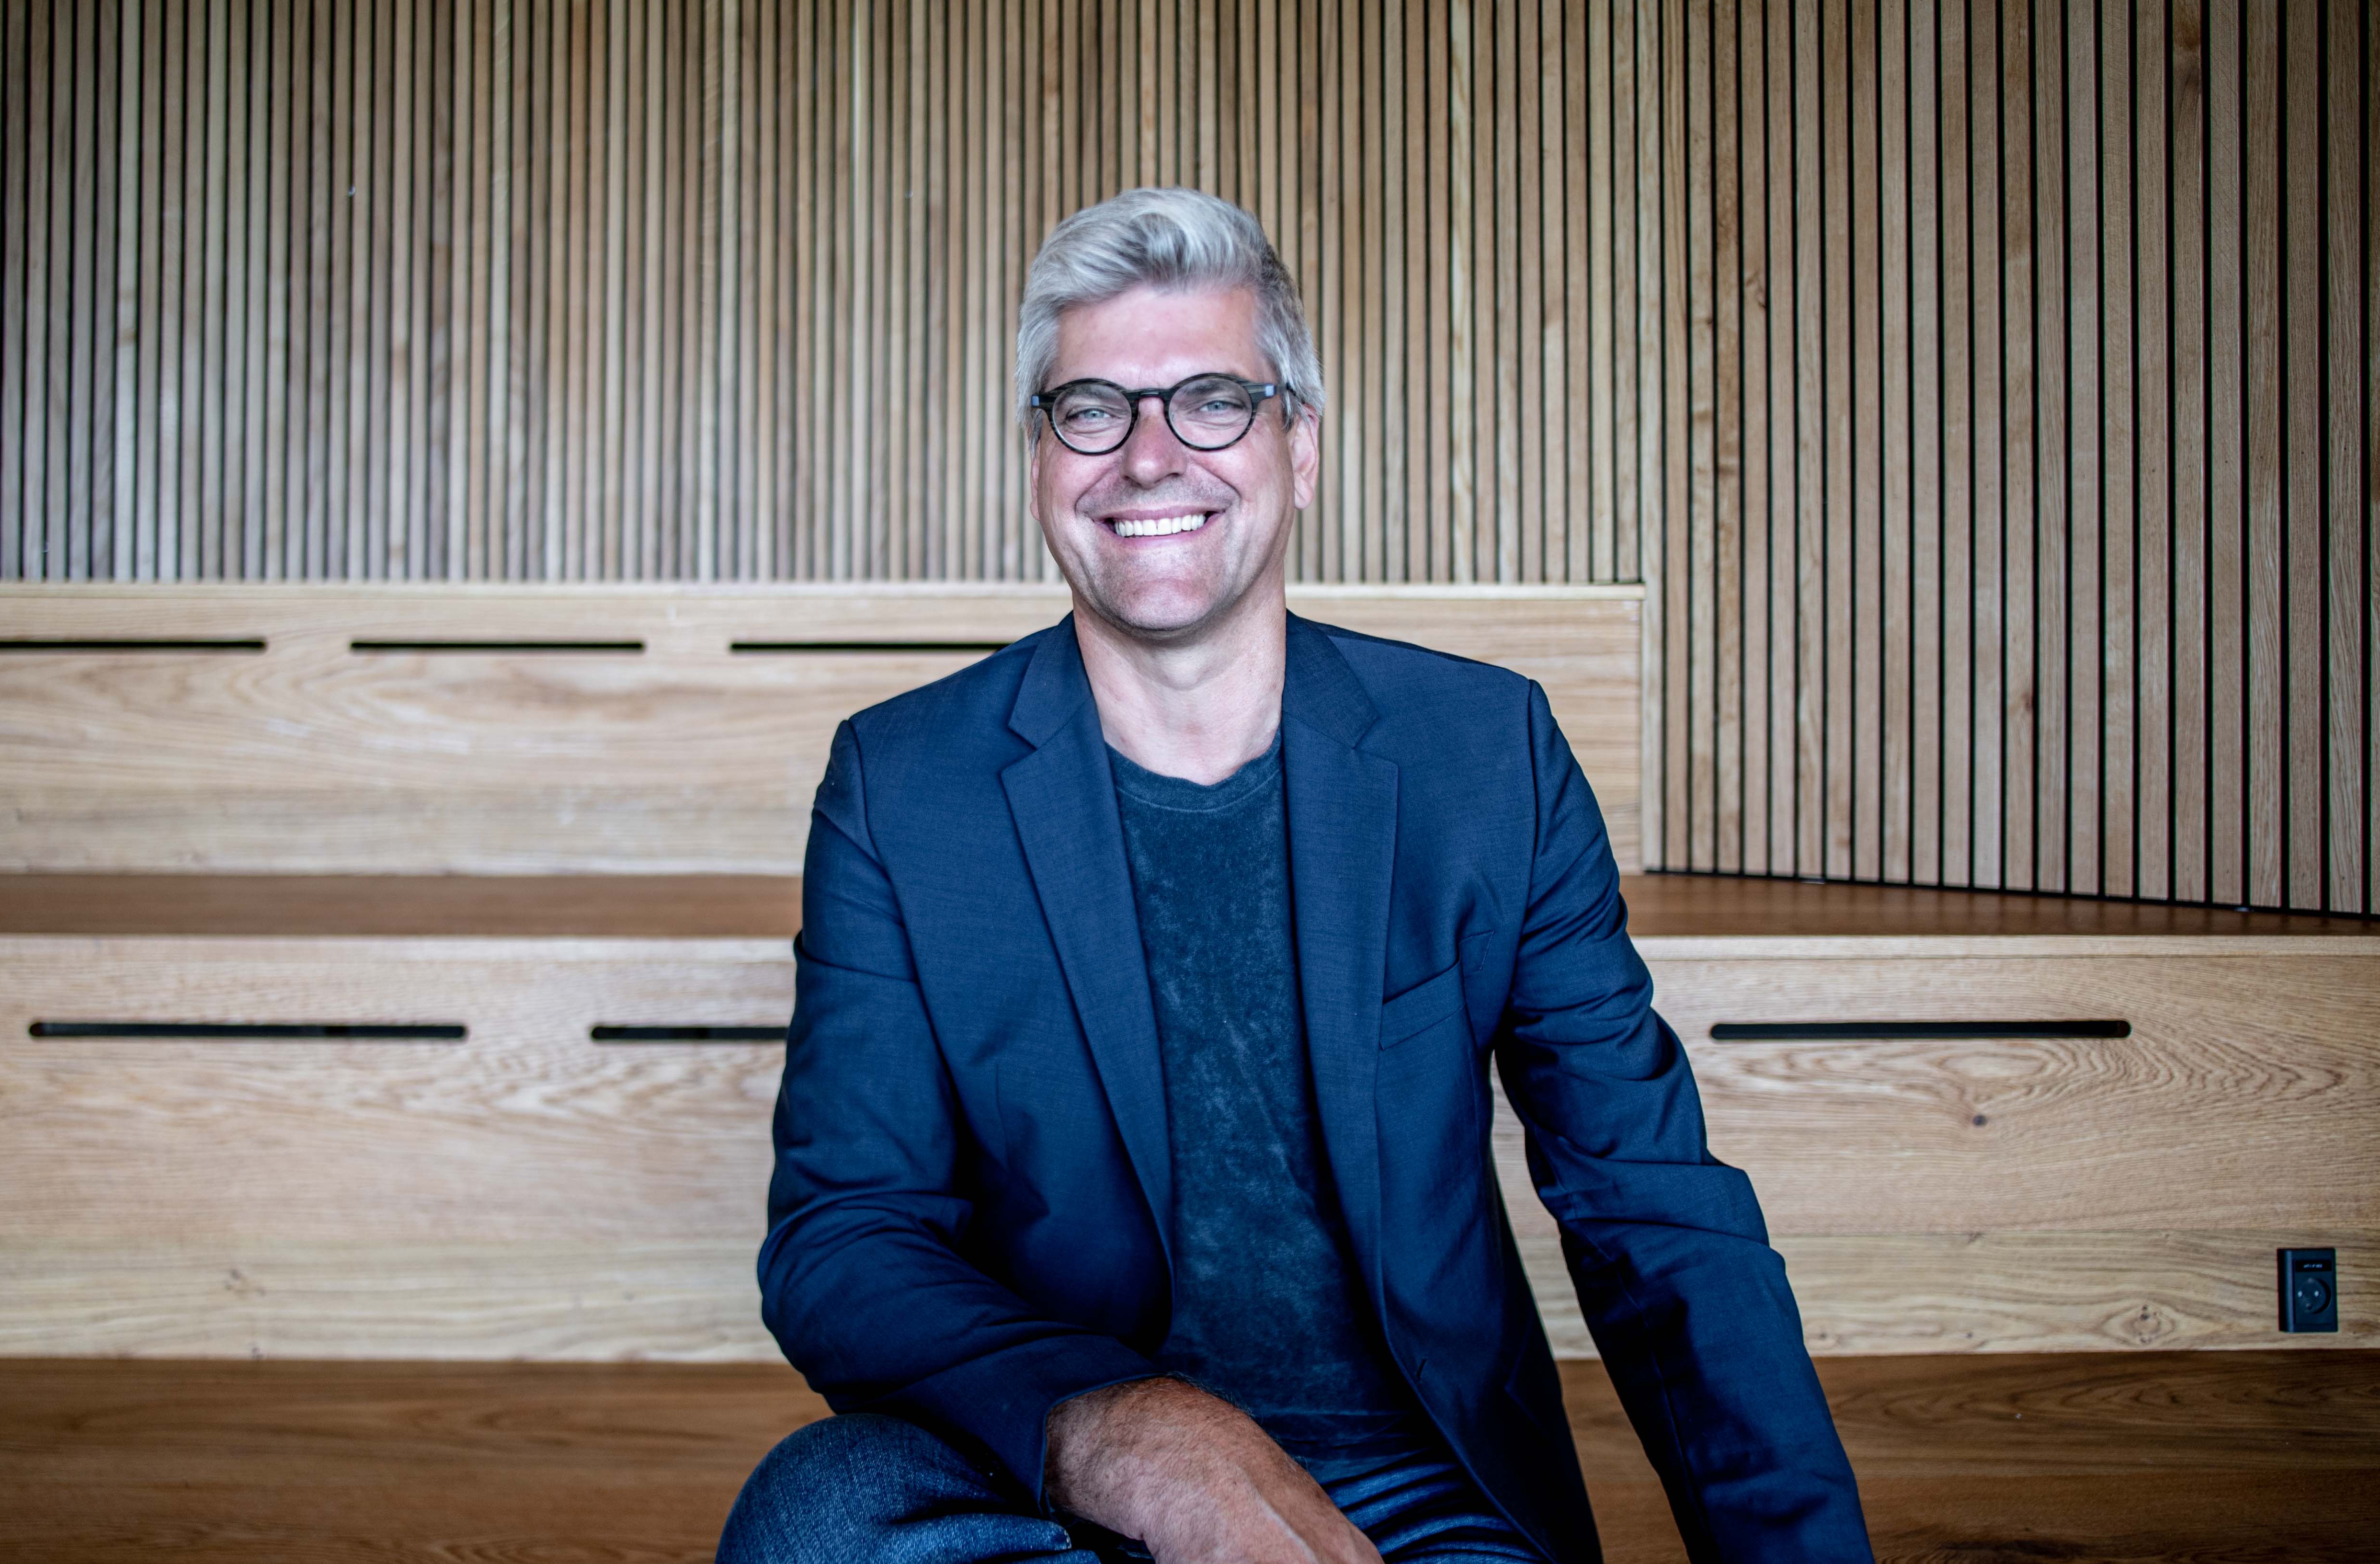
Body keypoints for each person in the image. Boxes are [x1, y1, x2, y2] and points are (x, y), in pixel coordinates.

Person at [718, 188, 1872, 1564]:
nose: (1150, 456)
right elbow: (846, 1236)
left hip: (1420, 1498)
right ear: (1039, 462)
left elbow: (1653, 1204)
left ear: (1301, 447)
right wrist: (1122, 1431)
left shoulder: (1484, 754)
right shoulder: (902, 785)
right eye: (1092, 408)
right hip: (1061, 1492)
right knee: (815, 1511)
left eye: (1213, 401)